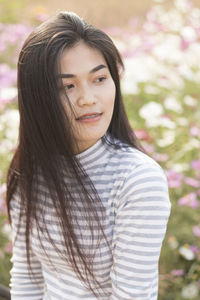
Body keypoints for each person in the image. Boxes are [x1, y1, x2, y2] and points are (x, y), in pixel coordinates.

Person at [6, 11, 171, 300]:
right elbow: (27, 280)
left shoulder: (138, 180)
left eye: (99, 78)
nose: (88, 99)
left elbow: (131, 296)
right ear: (38, 98)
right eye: (67, 86)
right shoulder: (31, 170)